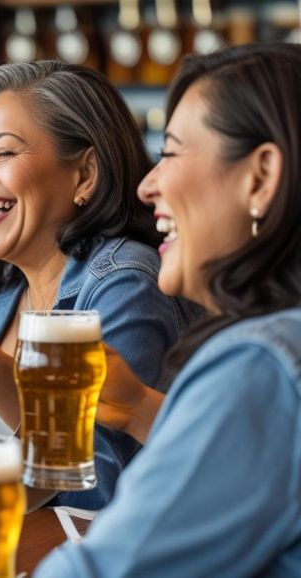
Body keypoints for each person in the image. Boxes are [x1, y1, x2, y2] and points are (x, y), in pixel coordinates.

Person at [36, 43, 301, 577]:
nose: (146, 184)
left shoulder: (258, 368)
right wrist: (138, 407)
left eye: (172, 153)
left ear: (260, 178)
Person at [0, 61, 200, 510]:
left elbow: (98, 494)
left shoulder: (124, 282)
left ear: (85, 175)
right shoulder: (8, 284)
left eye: (4, 152)